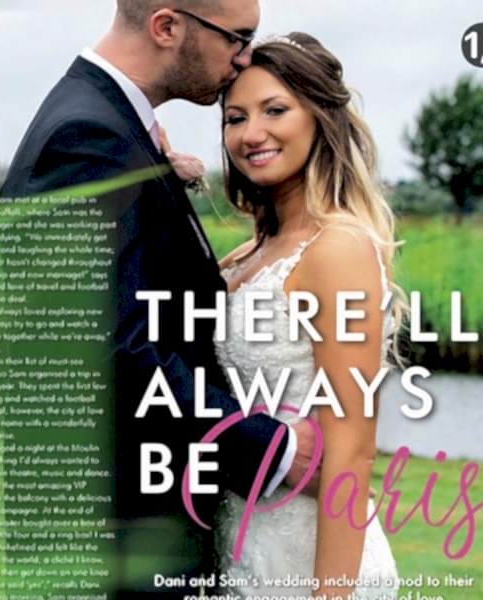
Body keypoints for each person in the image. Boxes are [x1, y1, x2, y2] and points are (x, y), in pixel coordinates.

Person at [0, 2, 318, 597]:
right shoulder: (89, 136)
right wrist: (266, 449)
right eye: (238, 38)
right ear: (167, 27)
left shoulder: (106, 126)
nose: (244, 58)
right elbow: (105, 346)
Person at [214, 33, 400, 598]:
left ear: (319, 117)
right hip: (245, 544)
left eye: (275, 110)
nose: (251, 134)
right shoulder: (248, 254)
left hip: (310, 562)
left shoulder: (337, 248)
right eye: (235, 117)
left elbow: (350, 448)